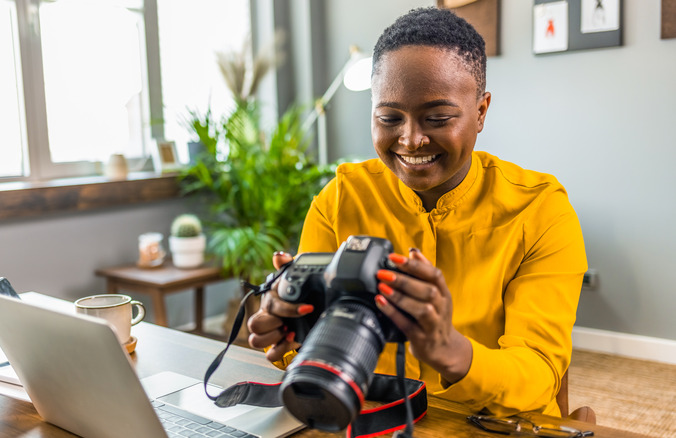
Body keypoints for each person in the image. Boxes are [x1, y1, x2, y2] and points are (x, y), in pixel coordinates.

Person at [247, 7, 587, 418]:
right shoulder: (340, 200)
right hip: (369, 415)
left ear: (480, 112)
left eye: (438, 117)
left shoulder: (539, 210)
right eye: (389, 117)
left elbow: (539, 373)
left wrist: (452, 350)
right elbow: (308, 352)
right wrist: (286, 330)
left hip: (490, 424)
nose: (411, 139)